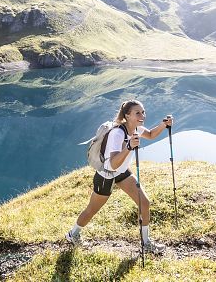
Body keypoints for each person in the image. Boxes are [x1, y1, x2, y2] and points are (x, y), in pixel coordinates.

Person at [65, 99, 174, 254]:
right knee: (92, 210)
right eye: (138, 113)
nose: (142, 115)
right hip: (106, 176)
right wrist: (129, 147)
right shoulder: (117, 133)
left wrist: (164, 125)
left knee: (144, 203)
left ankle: (146, 243)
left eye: (143, 112)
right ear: (127, 115)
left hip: (122, 173)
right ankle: (72, 234)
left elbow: (150, 134)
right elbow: (113, 163)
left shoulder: (136, 128)